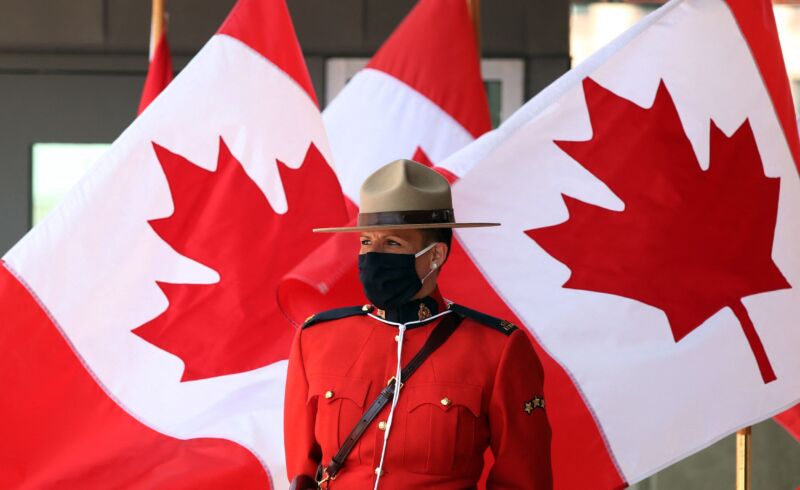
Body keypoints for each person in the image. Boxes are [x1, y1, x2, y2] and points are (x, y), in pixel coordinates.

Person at [284, 159, 552, 489]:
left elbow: (525, 480)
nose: (373, 255)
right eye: (367, 242)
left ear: (436, 255)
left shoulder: (497, 349)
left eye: (392, 243)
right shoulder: (316, 339)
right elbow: (301, 473)